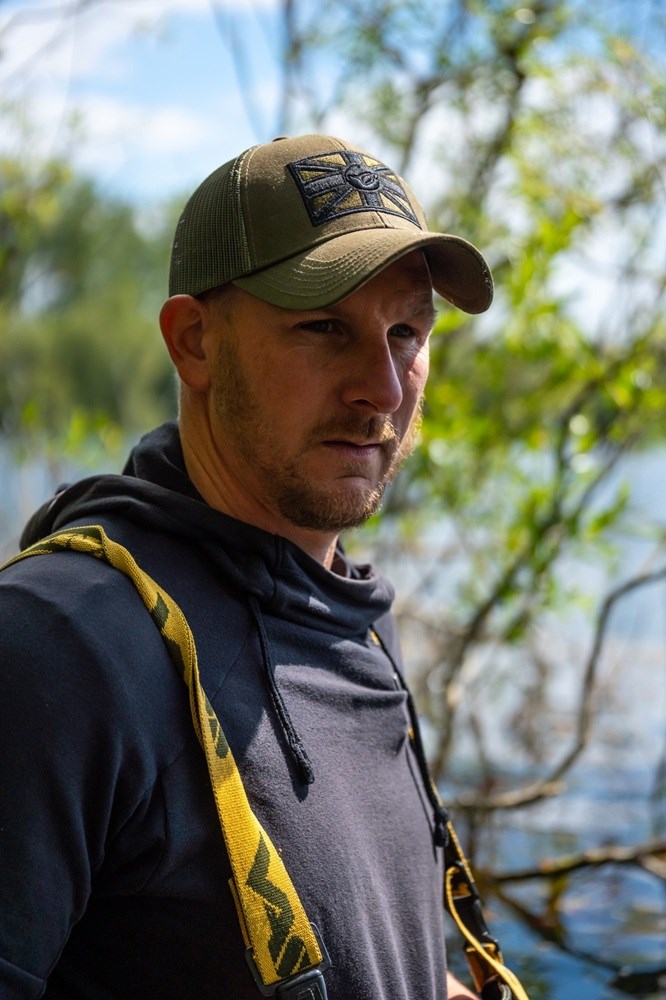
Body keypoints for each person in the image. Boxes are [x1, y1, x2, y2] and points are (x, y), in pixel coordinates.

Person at [0, 134, 493, 999]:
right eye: (324, 327)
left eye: (406, 332)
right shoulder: (60, 646)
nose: (382, 389)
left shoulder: (354, 617)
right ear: (195, 342)